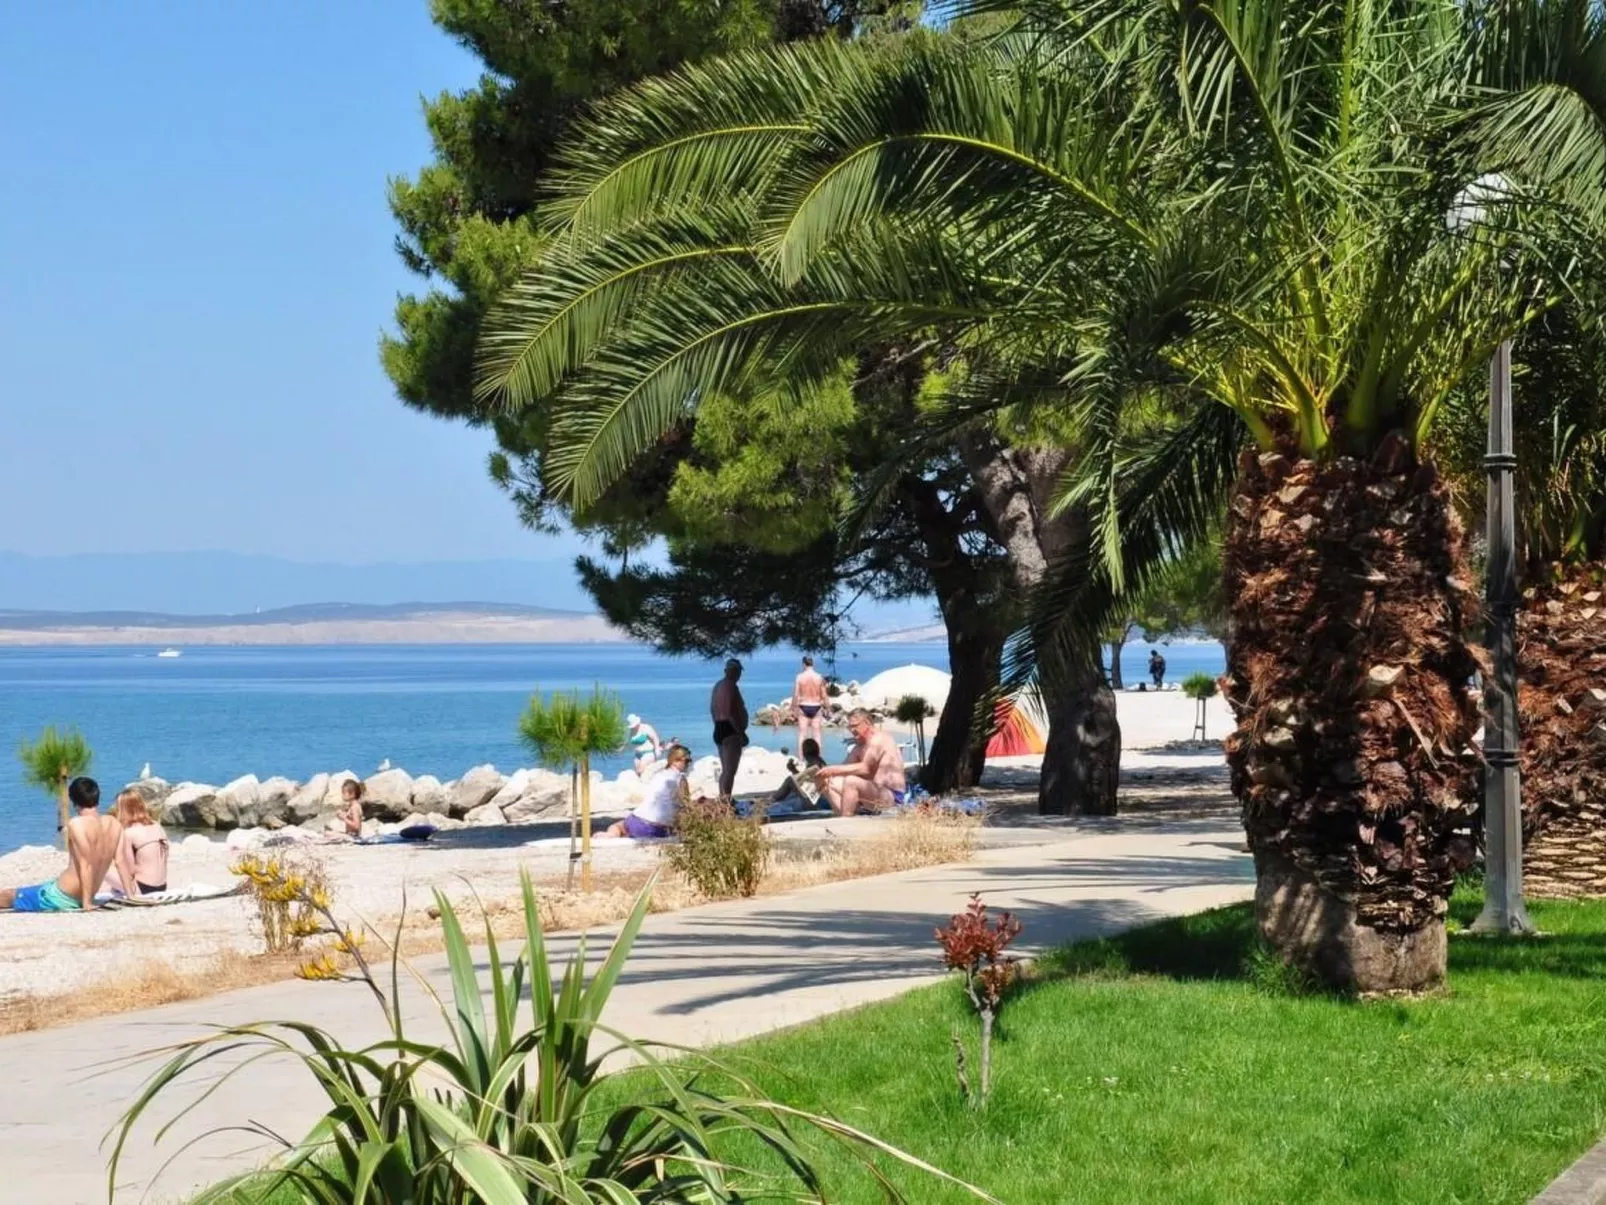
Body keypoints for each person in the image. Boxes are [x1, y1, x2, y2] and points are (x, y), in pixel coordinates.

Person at [1, 777, 129, 912]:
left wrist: (86, 903)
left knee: (10, 895)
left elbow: (85, 864)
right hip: (85, 893)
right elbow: (121, 862)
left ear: (73, 799)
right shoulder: (114, 823)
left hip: (61, 895)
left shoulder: (77, 824)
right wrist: (131, 895)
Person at [819, 709, 907, 817]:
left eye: (855, 726)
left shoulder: (879, 739)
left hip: (891, 796)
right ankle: (847, 816)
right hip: (872, 794)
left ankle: (844, 822)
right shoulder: (860, 746)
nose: (852, 730)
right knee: (828, 782)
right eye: (850, 726)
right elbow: (843, 768)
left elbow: (865, 768)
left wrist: (832, 770)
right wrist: (823, 775)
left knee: (851, 781)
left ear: (867, 723)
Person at [607, 744, 691, 839]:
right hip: (658, 828)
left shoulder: (659, 775)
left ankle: (609, 835)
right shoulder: (681, 778)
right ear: (675, 761)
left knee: (618, 826)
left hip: (637, 820)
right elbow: (686, 806)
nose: (688, 764)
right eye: (687, 761)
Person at [102, 789, 170, 897]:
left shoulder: (129, 833)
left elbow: (129, 870)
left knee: (100, 865)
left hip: (143, 888)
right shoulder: (157, 826)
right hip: (162, 886)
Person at [710, 657, 748, 799]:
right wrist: (741, 733)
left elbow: (713, 709)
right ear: (729, 671)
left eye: (739, 672)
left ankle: (723, 800)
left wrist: (717, 725)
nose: (739, 675)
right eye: (737, 671)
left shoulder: (718, 685)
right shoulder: (730, 686)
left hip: (720, 727)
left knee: (726, 770)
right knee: (730, 771)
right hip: (730, 729)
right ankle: (726, 802)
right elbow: (727, 713)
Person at [771, 738, 828, 806]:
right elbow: (805, 780)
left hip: (814, 799)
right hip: (818, 794)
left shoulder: (814, 764)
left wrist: (793, 769)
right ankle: (775, 798)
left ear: (804, 751)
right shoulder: (819, 761)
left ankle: (772, 800)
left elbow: (804, 782)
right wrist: (793, 769)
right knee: (792, 782)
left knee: (789, 780)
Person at [793, 654, 827, 754]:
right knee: (817, 735)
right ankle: (818, 758)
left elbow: (796, 694)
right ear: (813, 664)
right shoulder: (819, 677)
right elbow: (824, 695)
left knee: (802, 734)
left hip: (804, 706)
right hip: (816, 706)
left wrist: (793, 708)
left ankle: (801, 758)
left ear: (803, 664)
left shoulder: (799, 677)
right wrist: (828, 708)